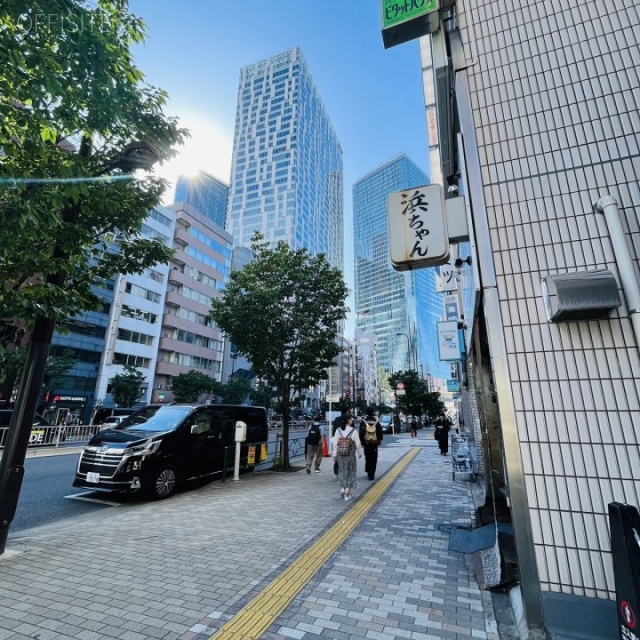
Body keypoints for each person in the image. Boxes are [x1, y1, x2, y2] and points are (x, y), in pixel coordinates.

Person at [332, 415, 362, 500]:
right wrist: (359, 453)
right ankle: (347, 493)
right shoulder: (353, 431)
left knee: (341, 472)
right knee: (350, 473)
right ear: (348, 421)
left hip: (340, 455)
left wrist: (334, 455)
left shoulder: (338, 430)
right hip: (350, 456)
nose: (352, 420)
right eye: (350, 419)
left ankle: (342, 488)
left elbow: (335, 444)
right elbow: (358, 444)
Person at [359, 409, 383, 481]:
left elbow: (361, 433)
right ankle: (372, 474)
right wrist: (378, 441)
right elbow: (380, 433)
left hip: (366, 443)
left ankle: (368, 471)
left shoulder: (363, 422)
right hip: (374, 443)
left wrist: (362, 442)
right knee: (374, 457)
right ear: (373, 413)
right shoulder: (376, 422)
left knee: (367, 457)